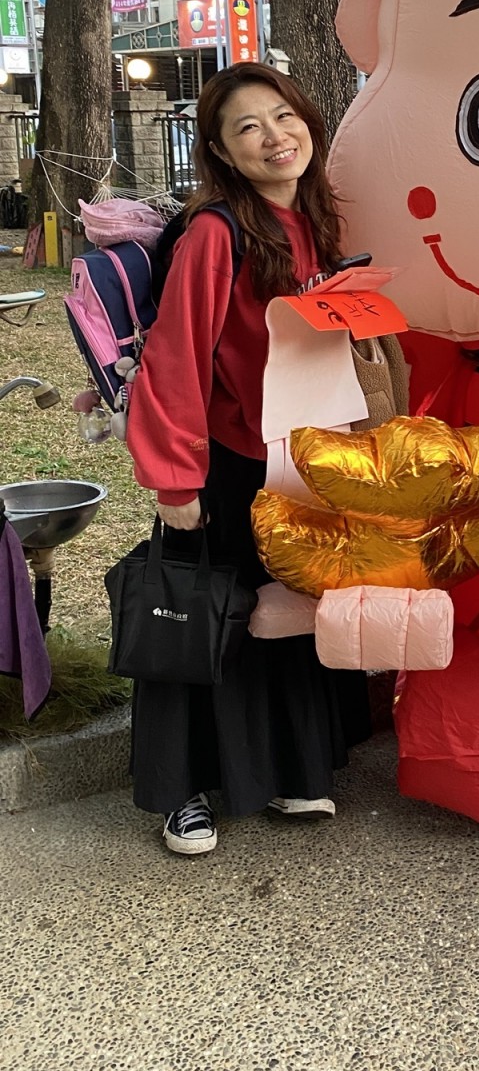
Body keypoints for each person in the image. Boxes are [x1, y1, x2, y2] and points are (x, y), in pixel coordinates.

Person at [126, 62, 368, 856]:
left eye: (283, 116)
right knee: (204, 620)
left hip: (299, 456)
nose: (274, 137)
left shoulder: (316, 220)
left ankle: (287, 771)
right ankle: (182, 791)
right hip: (226, 462)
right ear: (222, 152)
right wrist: (174, 480)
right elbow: (174, 359)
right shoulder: (214, 233)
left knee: (281, 614)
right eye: (248, 128)